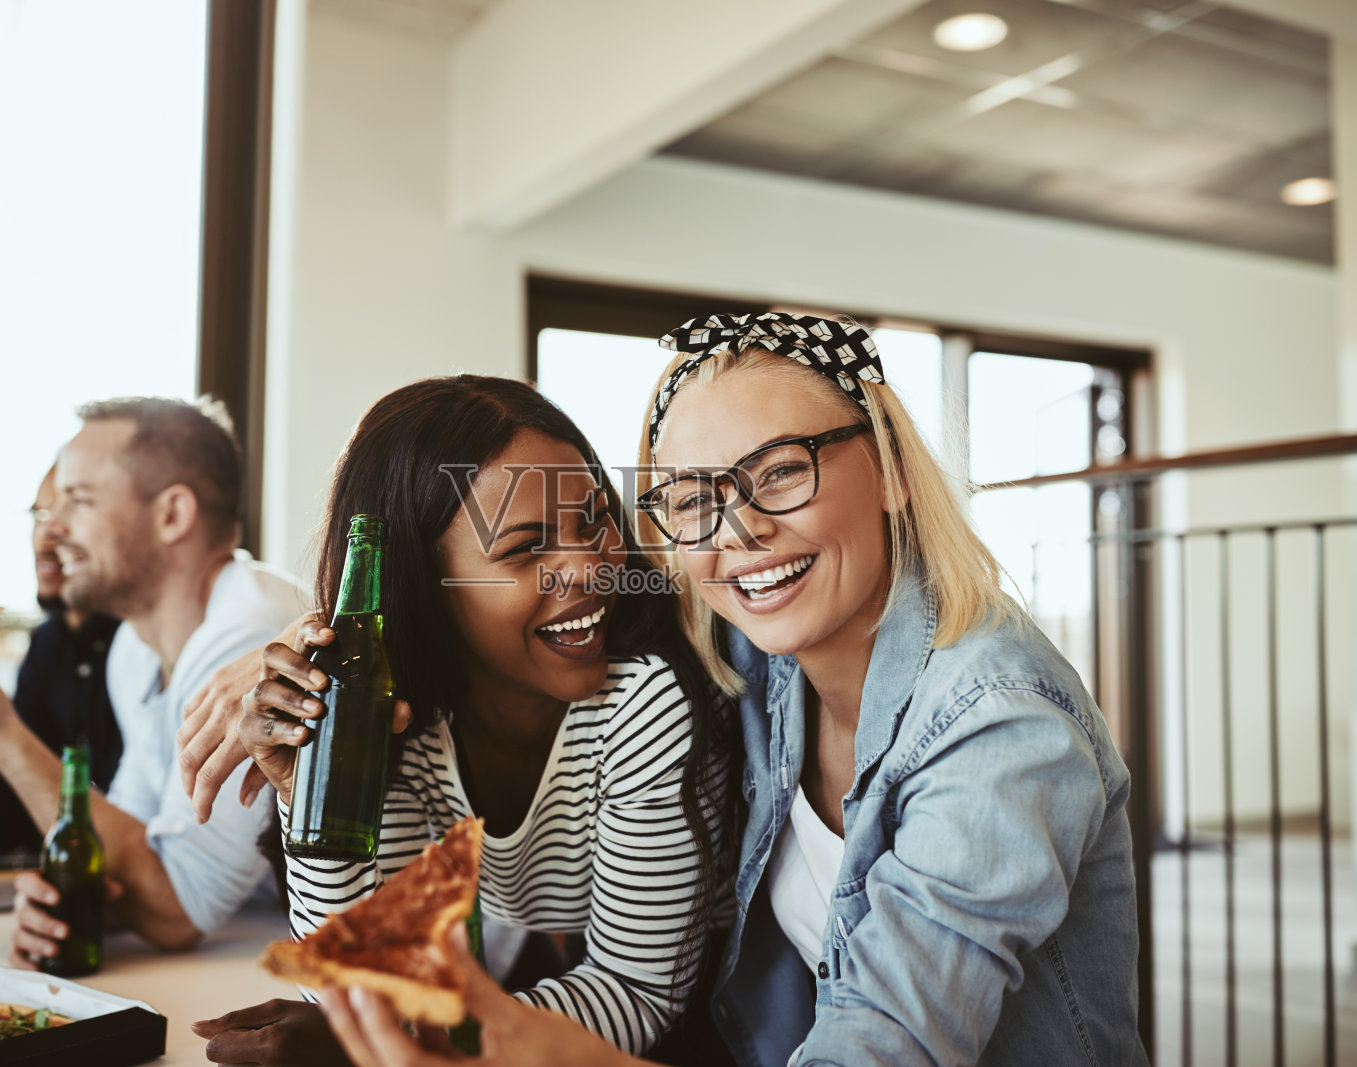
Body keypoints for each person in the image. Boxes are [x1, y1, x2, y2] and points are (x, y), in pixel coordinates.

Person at [312, 313, 1146, 1067]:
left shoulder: (998, 724)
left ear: (892, 467)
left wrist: (538, 1048)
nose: (738, 531)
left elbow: (883, 1046)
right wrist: (316, 685)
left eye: (780, 471)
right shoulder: (757, 648)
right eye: (690, 498)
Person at [183, 376, 735, 1062]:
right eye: (527, 548)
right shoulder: (399, 714)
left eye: (595, 519)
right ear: (425, 582)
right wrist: (315, 790)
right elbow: (363, 973)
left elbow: (636, 993)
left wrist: (390, 1037)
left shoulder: (647, 698)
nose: (591, 568)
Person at [0, 396, 307, 957]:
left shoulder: (248, 640)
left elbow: (179, 908)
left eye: (79, 500)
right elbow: (134, 844)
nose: (52, 529)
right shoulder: (134, 650)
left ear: (172, 515)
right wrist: (72, 901)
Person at [0, 464, 124, 858]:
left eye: (72, 511)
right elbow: (6, 829)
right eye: (40, 514)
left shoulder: (144, 647)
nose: (45, 534)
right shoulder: (46, 645)